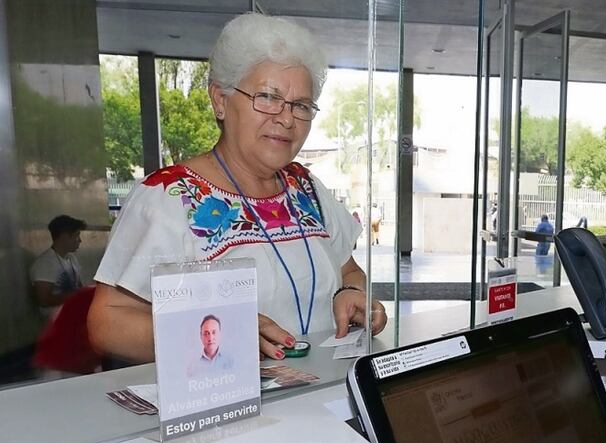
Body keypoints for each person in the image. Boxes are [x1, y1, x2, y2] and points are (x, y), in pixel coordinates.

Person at [89, 13, 387, 363]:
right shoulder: (167, 197)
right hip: (228, 406)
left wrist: (352, 293)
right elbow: (107, 323)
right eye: (267, 97)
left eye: (301, 106)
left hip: (324, 397)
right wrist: (222, 331)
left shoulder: (306, 189)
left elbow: (349, 270)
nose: (287, 118)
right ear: (220, 100)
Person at [30, 215, 86, 315]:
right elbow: (44, 300)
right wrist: (76, 295)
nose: (80, 240)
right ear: (64, 236)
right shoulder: (45, 263)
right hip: (56, 321)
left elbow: (79, 286)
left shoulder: (71, 258)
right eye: (77, 235)